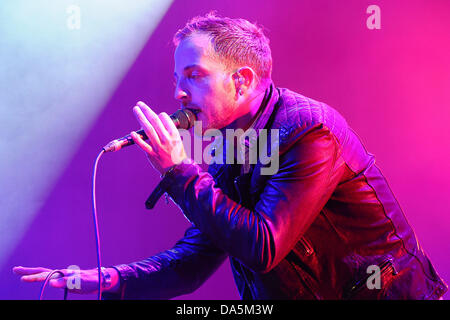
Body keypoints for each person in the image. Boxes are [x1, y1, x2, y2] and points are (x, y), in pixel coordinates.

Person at [14, 13, 447, 300]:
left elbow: (263, 245)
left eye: (194, 75)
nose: (179, 92)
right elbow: (195, 260)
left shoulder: (310, 129)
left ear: (242, 81)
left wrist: (181, 173)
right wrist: (106, 278)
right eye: (177, 77)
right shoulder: (232, 144)